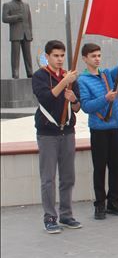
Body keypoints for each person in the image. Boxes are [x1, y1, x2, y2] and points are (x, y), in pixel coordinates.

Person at [32, 40, 81, 233]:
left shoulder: (70, 77)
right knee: (48, 178)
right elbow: (46, 97)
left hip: (67, 131)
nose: (60, 59)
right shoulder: (40, 76)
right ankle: (50, 217)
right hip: (47, 134)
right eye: (56, 56)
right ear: (48, 56)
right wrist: (64, 82)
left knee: (68, 176)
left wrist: (74, 99)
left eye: (62, 55)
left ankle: (66, 215)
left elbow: (77, 107)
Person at [78, 43, 118, 220]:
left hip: (116, 126)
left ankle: (114, 201)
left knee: (116, 166)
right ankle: (99, 204)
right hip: (99, 129)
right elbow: (86, 106)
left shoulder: (106, 74)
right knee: (99, 167)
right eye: (93, 56)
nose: (97, 59)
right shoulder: (82, 80)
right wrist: (105, 98)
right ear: (85, 59)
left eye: (99, 55)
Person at [2, 0, 33, 79]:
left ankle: (30, 72)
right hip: (15, 34)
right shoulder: (7, 5)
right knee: (15, 55)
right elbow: (4, 18)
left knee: (28, 55)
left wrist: (30, 33)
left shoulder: (26, 5)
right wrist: (16, 17)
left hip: (26, 34)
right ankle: (15, 73)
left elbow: (29, 21)